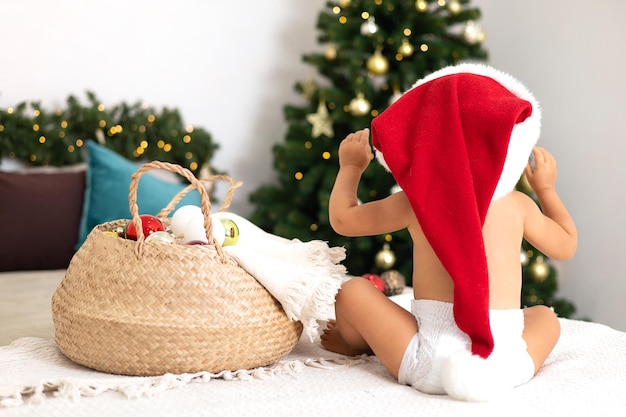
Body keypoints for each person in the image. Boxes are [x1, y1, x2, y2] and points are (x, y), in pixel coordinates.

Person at [322, 64, 578, 401]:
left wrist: (351, 167)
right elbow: (565, 246)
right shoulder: (518, 205)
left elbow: (343, 220)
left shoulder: (415, 203)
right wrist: (545, 190)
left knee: (353, 290)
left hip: (428, 360)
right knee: (545, 317)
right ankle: (500, 367)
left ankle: (351, 342)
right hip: (504, 363)